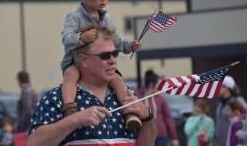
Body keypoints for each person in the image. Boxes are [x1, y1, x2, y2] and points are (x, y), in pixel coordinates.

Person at [28, 25, 157, 146]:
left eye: (115, 53)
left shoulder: (126, 95)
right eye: (105, 55)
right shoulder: (56, 97)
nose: (113, 60)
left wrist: (147, 117)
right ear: (84, 60)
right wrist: (75, 120)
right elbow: (33, 143)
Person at [60, 0, 142, 131]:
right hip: (76, 61)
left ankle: (130, 112)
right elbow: (66, 38)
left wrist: (129, 46)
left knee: (117, 80)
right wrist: (81, 38)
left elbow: (115, 41)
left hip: (100, 63)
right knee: (70, 76)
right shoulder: (74, 17)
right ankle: (70, 109)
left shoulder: (106, 18)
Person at [136, 70, 179, 146]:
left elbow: (168, 119)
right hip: (143, 136)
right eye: (159, 85)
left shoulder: (161, 100)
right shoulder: (137, 97)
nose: (161, 88)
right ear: (151, 84)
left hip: (161, 137)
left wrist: (173, 137)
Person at [215, 75, 247, 146]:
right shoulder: (220, 103)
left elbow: (246, 119)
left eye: (219, 86)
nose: (217, 88)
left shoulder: (238, 100)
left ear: (226, 88)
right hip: (220, 142)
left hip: (233, 141)